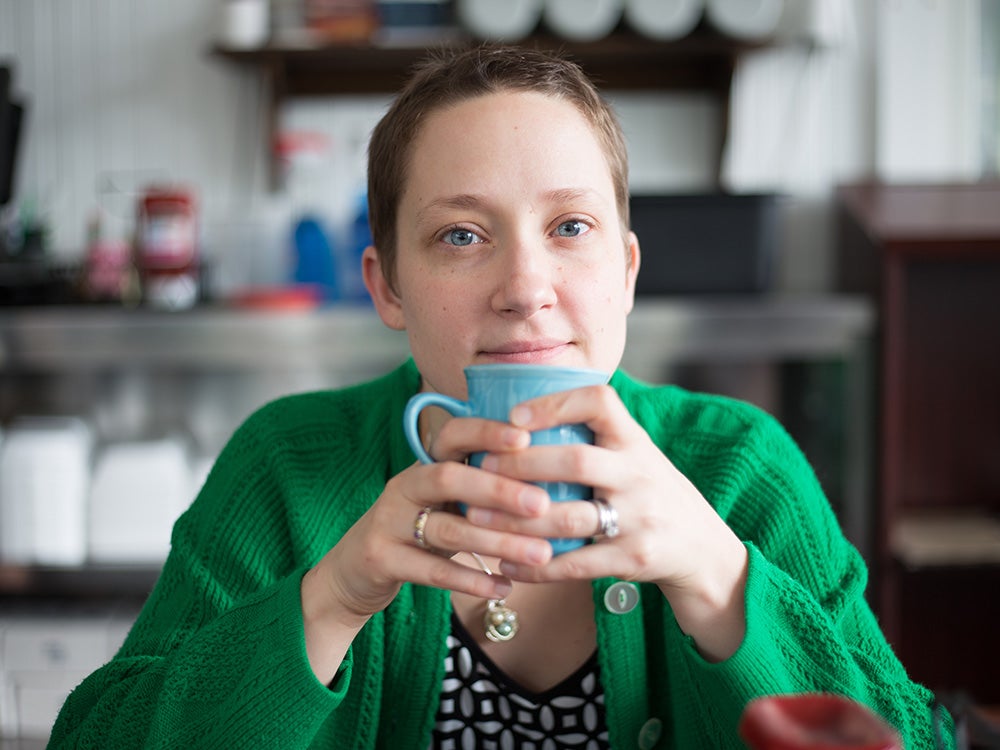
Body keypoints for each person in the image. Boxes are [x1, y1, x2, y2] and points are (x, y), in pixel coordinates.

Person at [50, 45, 952, 749]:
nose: (526, 287)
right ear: (387, 286)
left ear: (627, 272)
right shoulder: (287, 466)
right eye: (461, 235)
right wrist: (333, 597)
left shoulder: (738, 466)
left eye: (570, 226)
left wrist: (714, 575)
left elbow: (909, 739)